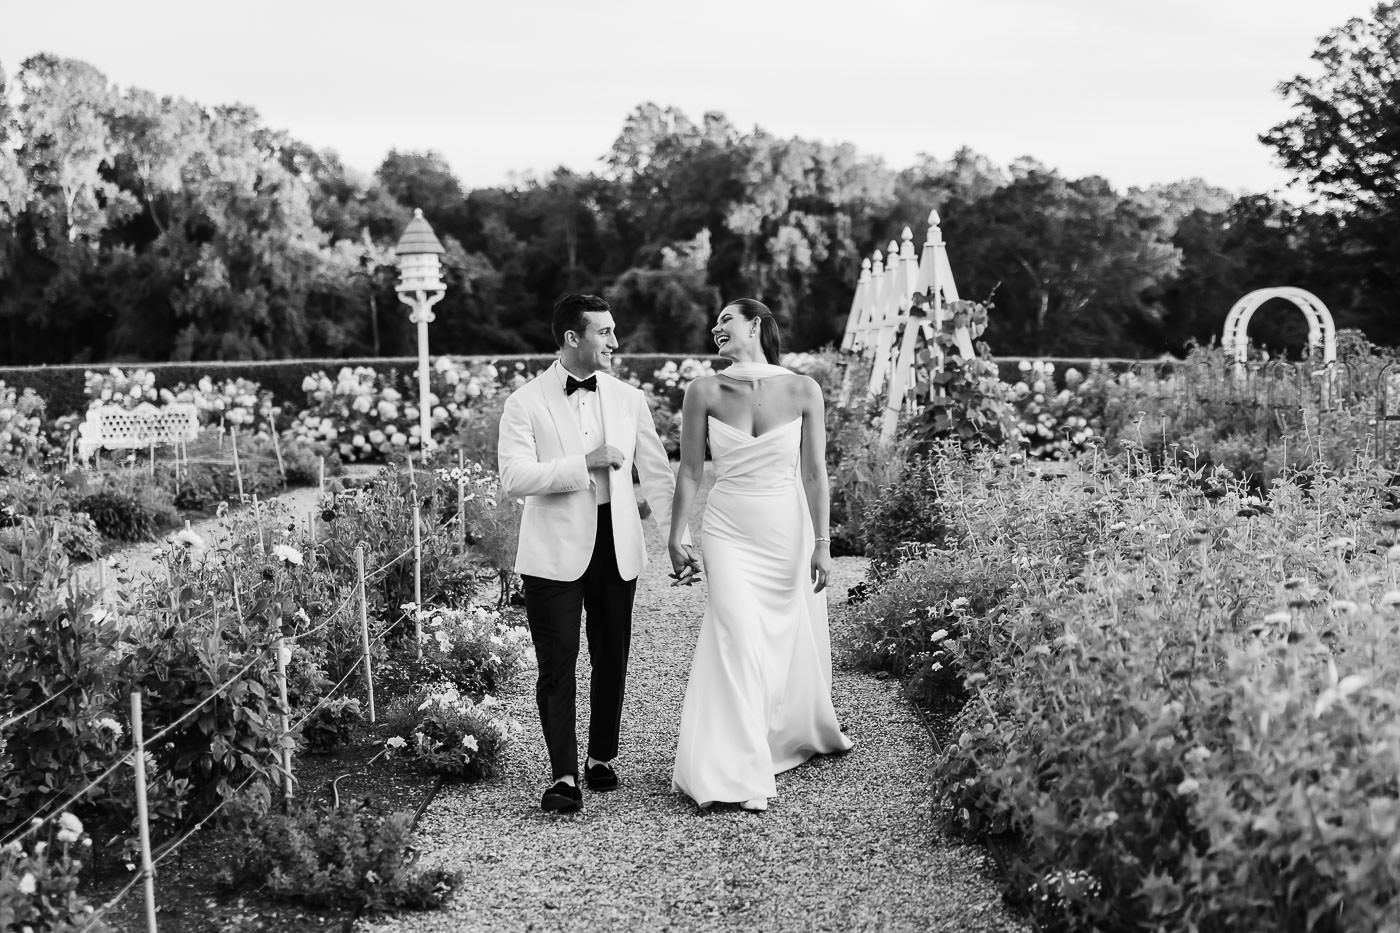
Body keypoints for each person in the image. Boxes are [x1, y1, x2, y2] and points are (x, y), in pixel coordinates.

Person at [498, 293, 683, 814]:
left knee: (611, 656)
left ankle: (601, 757)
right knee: (556, 664)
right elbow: (513, 477)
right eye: (604, 332)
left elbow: (657, 472)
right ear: (572, 337)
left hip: (615, 542)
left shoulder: (628, 398)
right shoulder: (524, 402)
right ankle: (563, 776)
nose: (614, 342)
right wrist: (586, 462)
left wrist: (677, 537)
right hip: (552, 549)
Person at [667, 298, 852, 812]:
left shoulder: (803, 389)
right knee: (736, 636)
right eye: (715, 321)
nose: (716, 326)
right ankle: (739, 771)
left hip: (784, 531)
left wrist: (822, 544)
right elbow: (690, 470)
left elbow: (814, 473)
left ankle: (777, 732)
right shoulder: (703, 390)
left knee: (777, 638)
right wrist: (677, 534)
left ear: (756, 325)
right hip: (726, 530)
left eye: (726, 318)